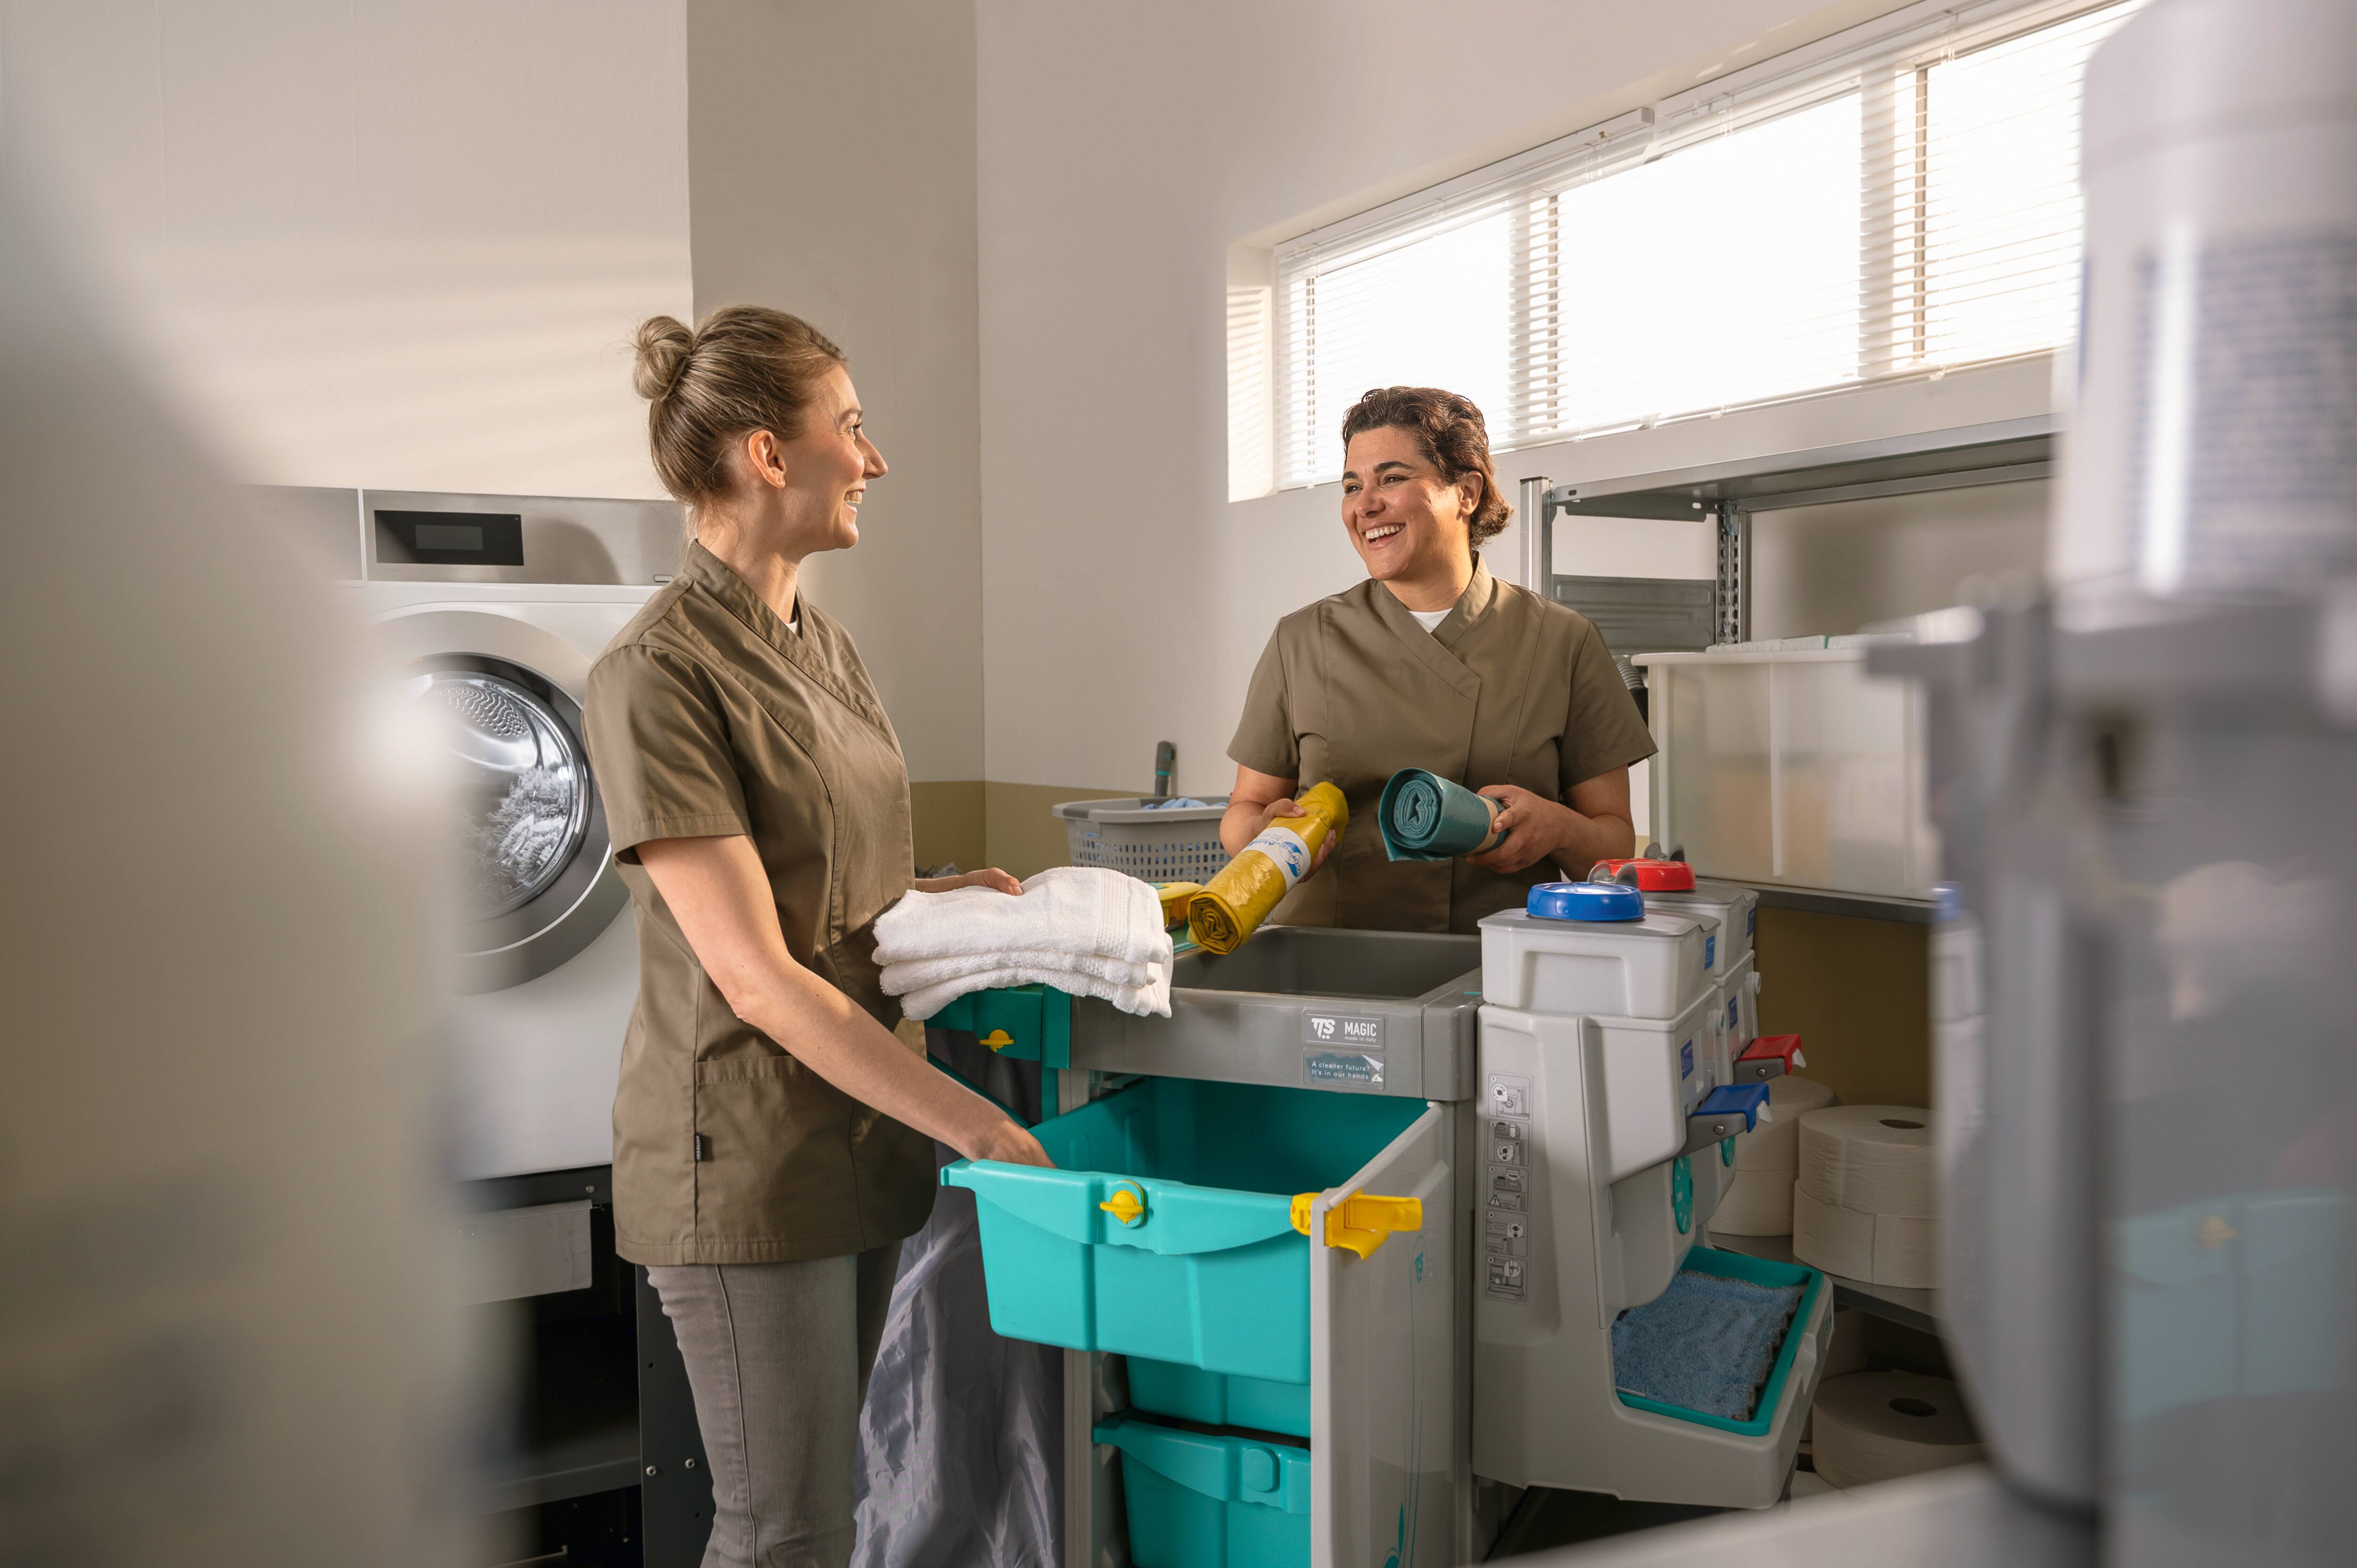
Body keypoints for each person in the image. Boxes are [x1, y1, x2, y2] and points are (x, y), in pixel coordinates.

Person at [585, 305, 1051, 1568]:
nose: (875, 457)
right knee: (782, 1525)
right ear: (767, 454)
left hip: (847, 1128)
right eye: (850, 425)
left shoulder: (823, 646)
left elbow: (825, 879)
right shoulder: (656, 672)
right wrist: (979, 1123)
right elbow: (752, 972)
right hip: (741, 1147)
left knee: (827, 1507)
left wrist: (950, 891)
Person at [1222, 385, 1655, 932]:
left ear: (1466, 493)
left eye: (1392, 478)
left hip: (1493, 962)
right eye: (1352, 485)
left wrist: (1557, 828)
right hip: (1327, 962)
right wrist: (1262, 831)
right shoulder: (1302, 640)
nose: (1365, 505)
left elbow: (1613, 844)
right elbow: (1242, 813)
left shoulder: (1562, 642)